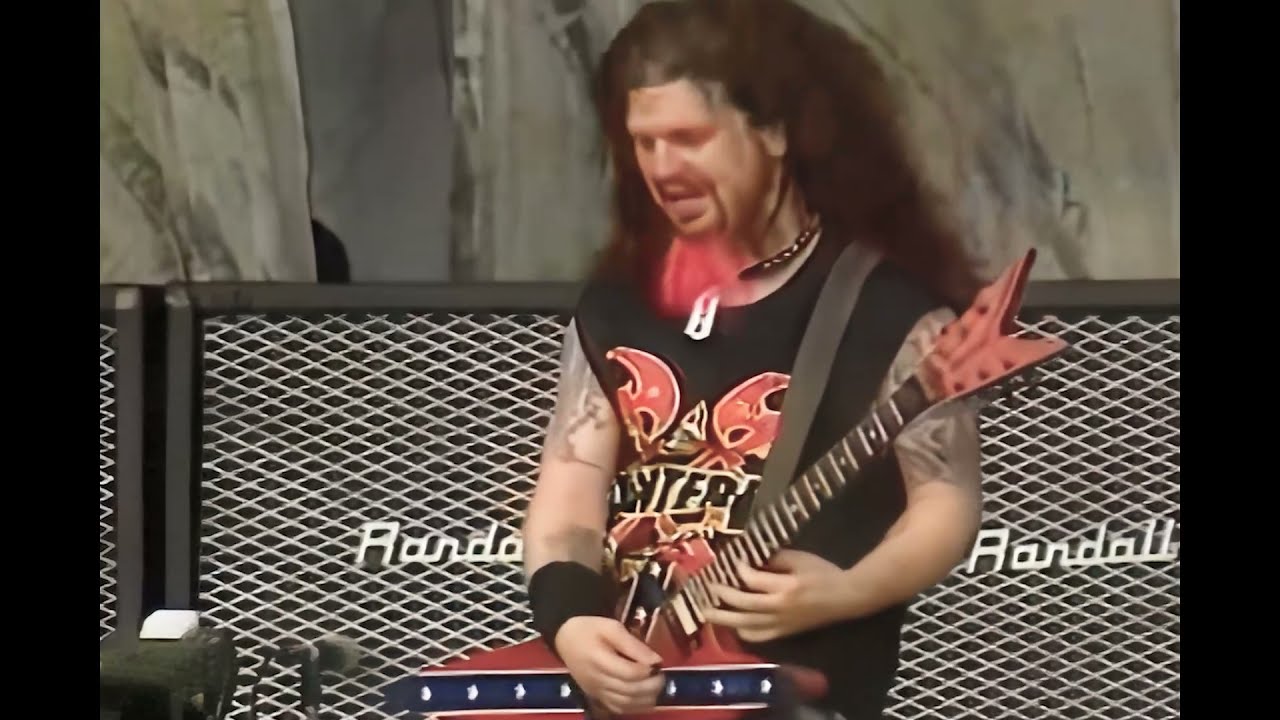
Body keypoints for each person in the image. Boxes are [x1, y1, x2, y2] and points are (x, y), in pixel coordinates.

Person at [520, 1, 985, 718]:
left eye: (689, 138)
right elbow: (570, 485)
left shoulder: (886, 307)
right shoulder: (618, 299)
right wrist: (573, 621)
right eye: (643, 143)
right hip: (638, 691)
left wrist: (848, 591)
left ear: (774, 131)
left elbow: (946, 501)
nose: (662, 169)